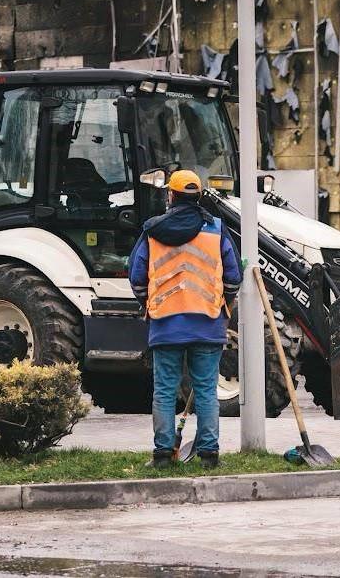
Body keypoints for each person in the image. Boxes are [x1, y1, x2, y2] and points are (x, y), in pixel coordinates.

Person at [128, 169, 242, 470]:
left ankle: (163, 455)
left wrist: (151, 303)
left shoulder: (152, 231)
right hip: (207, 323)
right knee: (206, 390)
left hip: (166, 324)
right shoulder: (216, 229)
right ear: (199, 196)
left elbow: (137, 277)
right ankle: (209, 455)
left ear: (171, 195)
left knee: (165, 390)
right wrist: (220, 303)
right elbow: (233, 277)